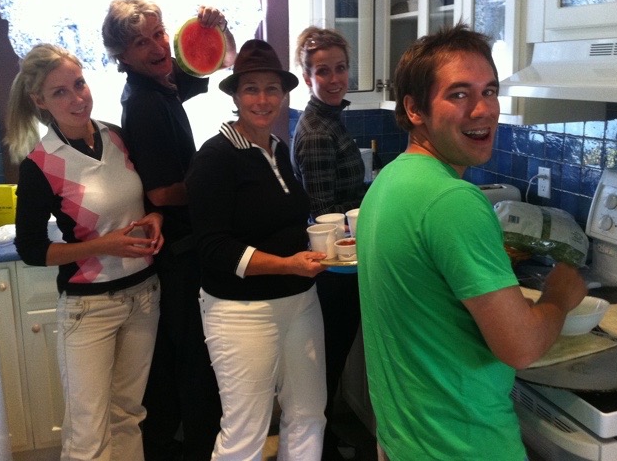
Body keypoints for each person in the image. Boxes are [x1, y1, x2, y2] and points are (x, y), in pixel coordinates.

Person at [356, 23, 588, 461]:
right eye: (459, 94)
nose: (483, 110)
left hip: (404, 438)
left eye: (489, 91)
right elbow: (519, 346)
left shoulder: (391, 180)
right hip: (463, 446)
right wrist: (558, 296)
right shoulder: (452, 200)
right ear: (414, 109)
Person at [4, 43, 164, 461]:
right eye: (60, 92)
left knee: (129, 415)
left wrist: (155, 219)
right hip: (89, 309)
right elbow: (32, 250)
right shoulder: (40, 164)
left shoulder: (116, 136)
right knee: (88, 434)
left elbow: (140, 202)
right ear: (39, 101)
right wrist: (102, 246)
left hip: (145, 294)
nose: (77, 98)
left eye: (79, 83)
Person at [101, 0, 236, 461]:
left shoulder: (160, 85)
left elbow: (220, 62)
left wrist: (218, 30)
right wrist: (215, 188)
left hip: (179, 249)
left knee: (192, 360)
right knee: (196, 363)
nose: (159, 46)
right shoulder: (145, 104)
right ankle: (200, 449)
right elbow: (161, 193)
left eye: (159, 33)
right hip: (179, 255)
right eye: (142, 42)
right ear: (122, 56)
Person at [185, 39, 329, 460]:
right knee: (245, 430)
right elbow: (213, 247)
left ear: (284, 95)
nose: (263, 99)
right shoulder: (215, 158)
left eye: (272, 89)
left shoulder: (278, 149)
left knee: (308, 414)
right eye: (251, 89)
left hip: (300, 301)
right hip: (240, 312)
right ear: (234, 94)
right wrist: (287, 265)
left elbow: (280, 221)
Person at [291, 26, 366, 460]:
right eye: (324, 71)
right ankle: (323, 451)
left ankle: (325, 445)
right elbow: (324, 214)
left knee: (328, 362)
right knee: (328, 362)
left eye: (340, 68)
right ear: (307, 77)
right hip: (336, 272)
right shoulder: (318, 130)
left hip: (340, 267)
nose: (335, 78)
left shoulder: (330, 119)